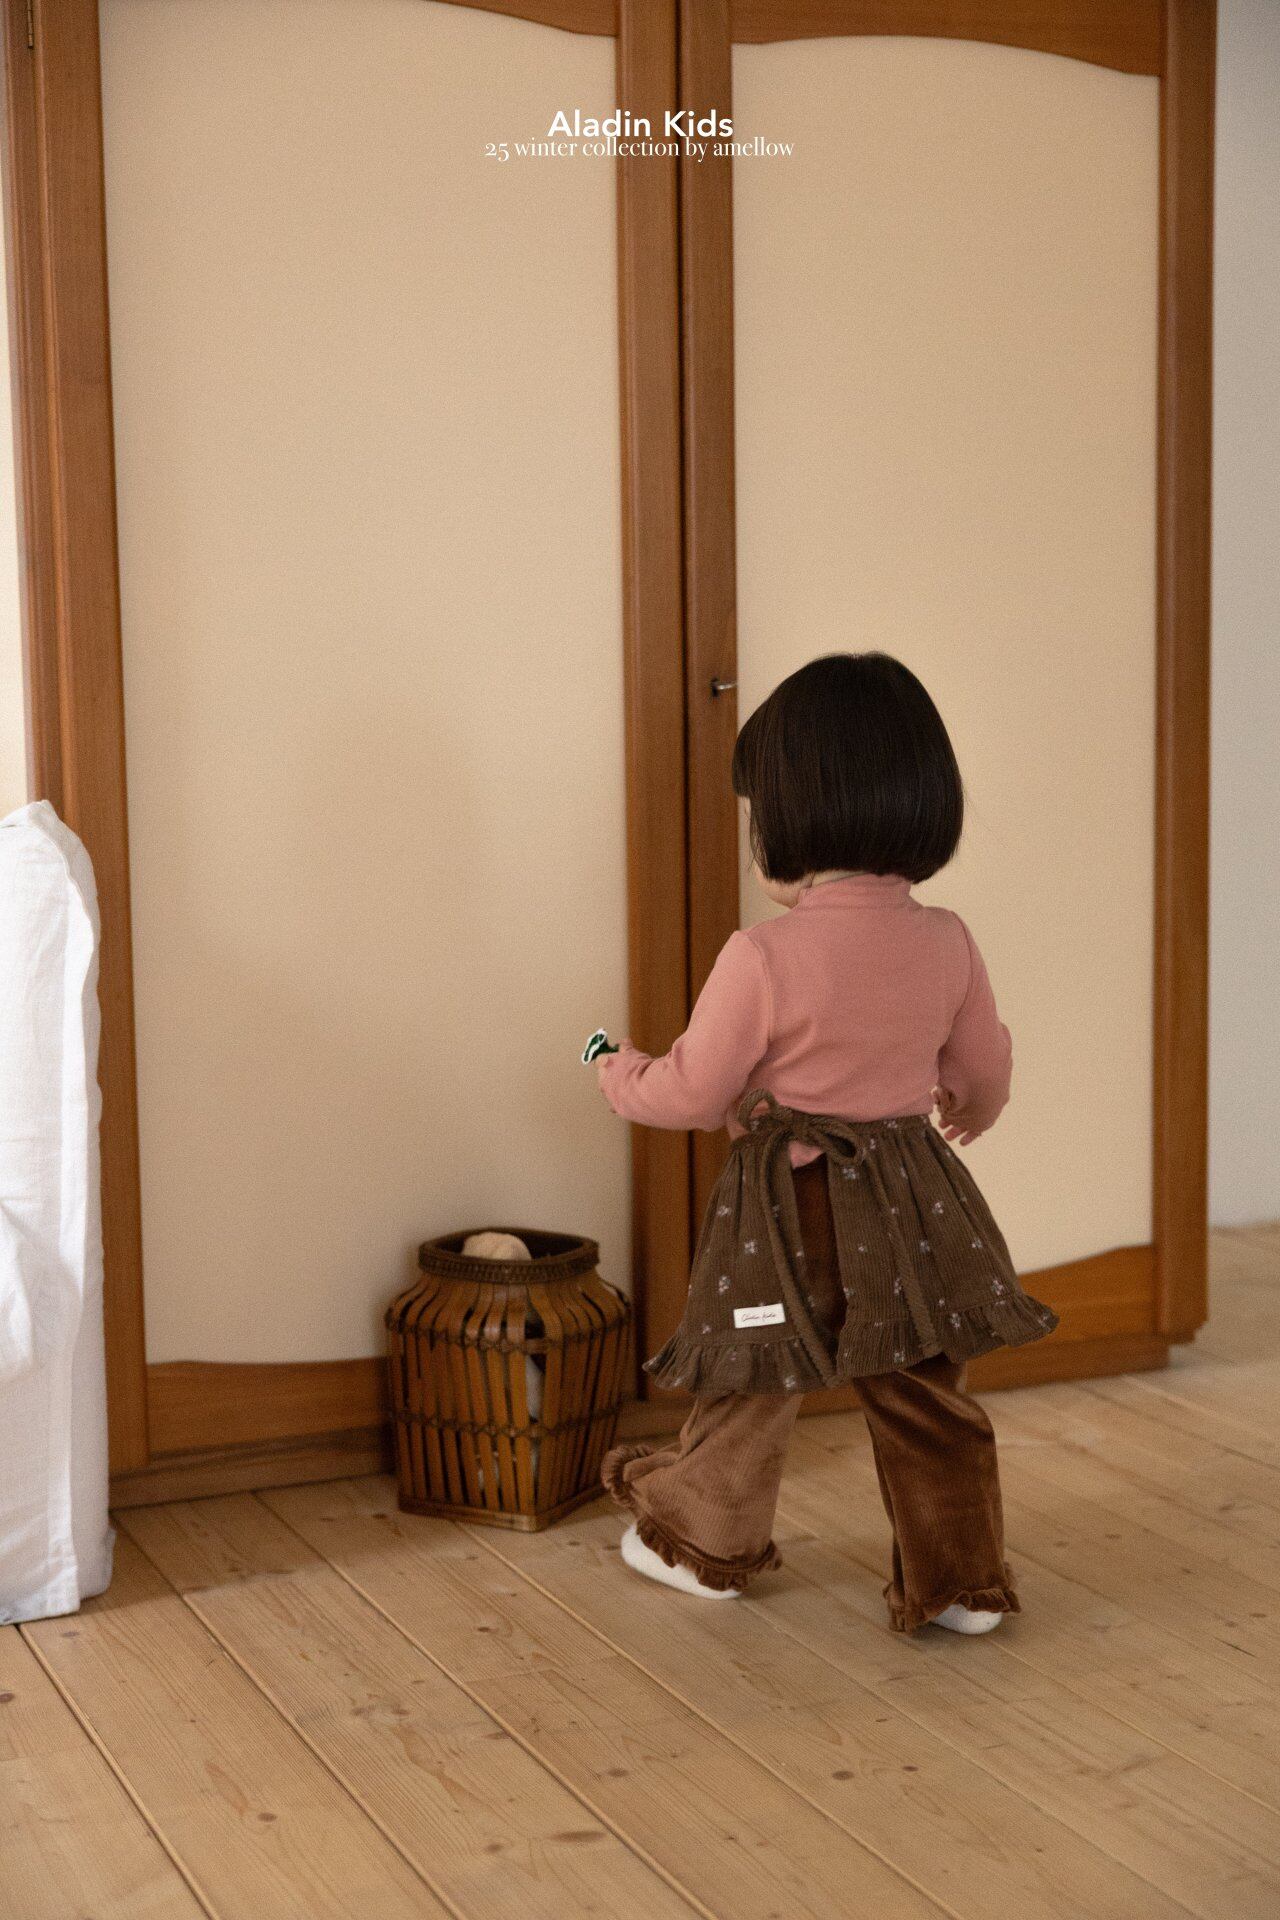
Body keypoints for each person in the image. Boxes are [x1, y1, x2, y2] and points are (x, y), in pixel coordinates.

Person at [594, 652, 1057, 1634]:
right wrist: (973, 1112)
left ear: (792, 819)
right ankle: (960, 1580)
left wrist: (615, 1069)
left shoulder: (761, 954)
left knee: (753, 1370)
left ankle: (706, 1544)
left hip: (787, 1217)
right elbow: (982, 1067)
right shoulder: (947, 939)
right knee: (923, 1385)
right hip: (914, 1209)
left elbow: (693, 1090)